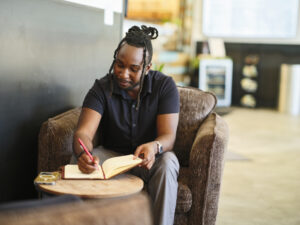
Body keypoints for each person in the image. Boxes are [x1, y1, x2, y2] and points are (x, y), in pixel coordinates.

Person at [72, 25, 180, 225]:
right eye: (119, 65)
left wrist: (154, 146)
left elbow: (168, 137)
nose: (123, 73)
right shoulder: (101, 88)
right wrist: (83, 154)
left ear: (147, 68)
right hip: (112, 159)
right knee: (75, 162)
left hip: (150, 160)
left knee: (168, 162)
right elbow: (83, 133)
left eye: (134, 68)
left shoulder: (164, 87)